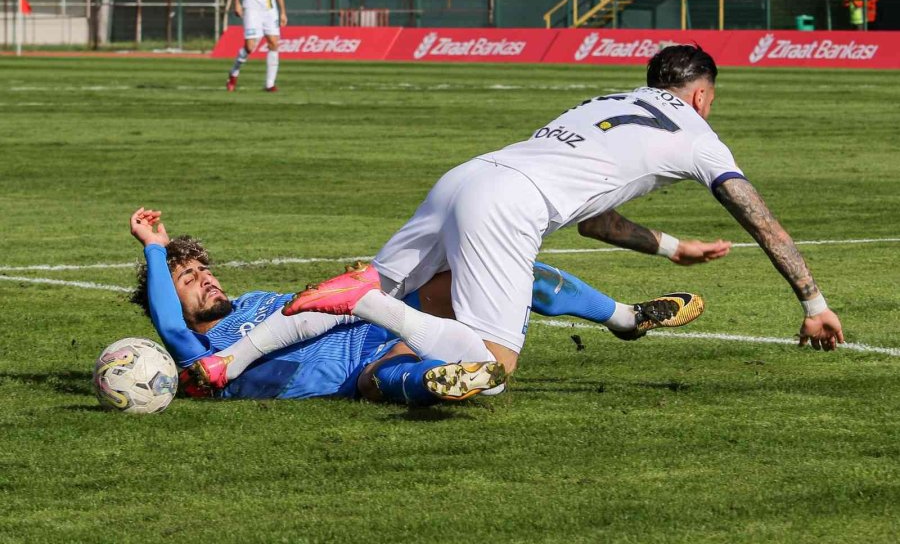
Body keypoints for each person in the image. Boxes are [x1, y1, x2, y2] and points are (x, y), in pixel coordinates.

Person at [285, 45, 844, 381]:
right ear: (701, 97)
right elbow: (764, 222)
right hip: (507, 206)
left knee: (382, 284)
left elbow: (596, 220)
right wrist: (813, 303)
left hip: (464, 176)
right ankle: (393, 379)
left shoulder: (604, 104)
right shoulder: (697, 133)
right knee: (492, 364)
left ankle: (227, 359)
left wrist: (674, 247)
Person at [129, 208, 704, 402]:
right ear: (169, 304)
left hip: (376, 311)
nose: (203, 278)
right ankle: (452, 379)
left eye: (201, 268)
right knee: (398, 378)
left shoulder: (253, 301)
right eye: (186, 279)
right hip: (365, 368)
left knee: (493, 271)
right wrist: (157, 251)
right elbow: (168, 321)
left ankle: (626, 318)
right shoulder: (201, 356)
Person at [226, 0, 287, 92]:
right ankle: (234, 72)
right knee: (250, 47)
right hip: (252, 7)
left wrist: (283, 11)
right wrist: (237, 3)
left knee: (273, 43)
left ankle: (269, 84)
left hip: (269, 7)